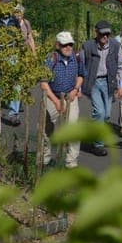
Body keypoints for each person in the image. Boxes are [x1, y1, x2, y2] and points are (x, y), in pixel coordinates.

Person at [39, 31, 85, 169]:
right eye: (65, 45)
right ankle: (45, 159)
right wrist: (56, 101)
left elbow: (81, 75)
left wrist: (76, 89)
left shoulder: (76, 58)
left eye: (70, 44)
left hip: (70, 96)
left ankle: (71, 162)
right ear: (58, 45)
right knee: (46, 130)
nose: (68, 47)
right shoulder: (51, 59)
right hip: (52, 95)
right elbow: (43, 83)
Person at [81, 20, 120, 156]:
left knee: (107, 114)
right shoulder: (88, 46)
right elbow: (81, 65)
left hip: (109, 82)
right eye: (102, 34)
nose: (105, 37)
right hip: (94, 83)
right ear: (96, 33)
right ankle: (98, 145)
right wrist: (78, 86)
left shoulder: (115, 45)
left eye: (107, 34)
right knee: (100, 112)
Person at [2, 4, 36, 127]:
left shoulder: (26, 23)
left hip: (24, 55)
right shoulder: (11, 24)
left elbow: (30, 37)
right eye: (16, 13)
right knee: (12, 81)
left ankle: (15, 106)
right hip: (13, 54)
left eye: (20, 13)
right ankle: (13, 103)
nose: (18, 15)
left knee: (20, 81)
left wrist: (33, 53)